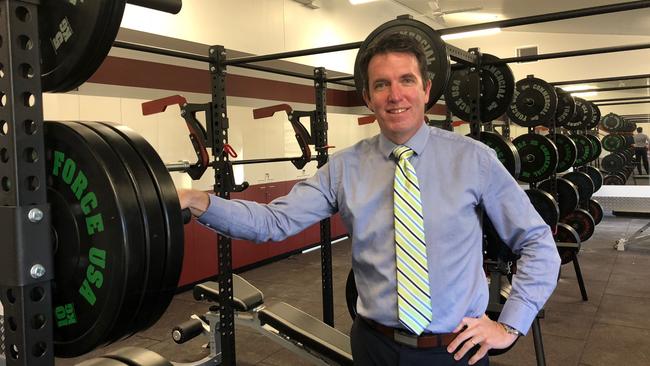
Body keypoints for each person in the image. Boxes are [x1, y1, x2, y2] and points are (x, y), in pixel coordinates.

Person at [178, 33, 560, 366]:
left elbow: (538, 242)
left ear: (426, 90)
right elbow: (273, 223)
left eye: (406, 81)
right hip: (373, 347)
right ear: (368, 97)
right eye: (382, 85)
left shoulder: (474, 159)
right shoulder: (345, 168)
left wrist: (510, 324)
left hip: (454, 351)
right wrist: (198, 201)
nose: (395, 95)